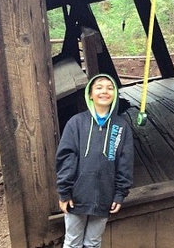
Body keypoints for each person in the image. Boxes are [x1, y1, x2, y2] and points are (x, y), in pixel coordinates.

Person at [56, 73, 134, 248]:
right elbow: (66, 158)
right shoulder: (76, 123)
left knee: (93, 242)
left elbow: (125, 163)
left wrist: (120, 193)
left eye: (110, 88)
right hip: (77, 196)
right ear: (90, 94)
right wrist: (64, 192)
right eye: (99, 87)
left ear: (114, 94)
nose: (104, 91)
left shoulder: (121, 127)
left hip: (105, 196)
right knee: (73, 242)